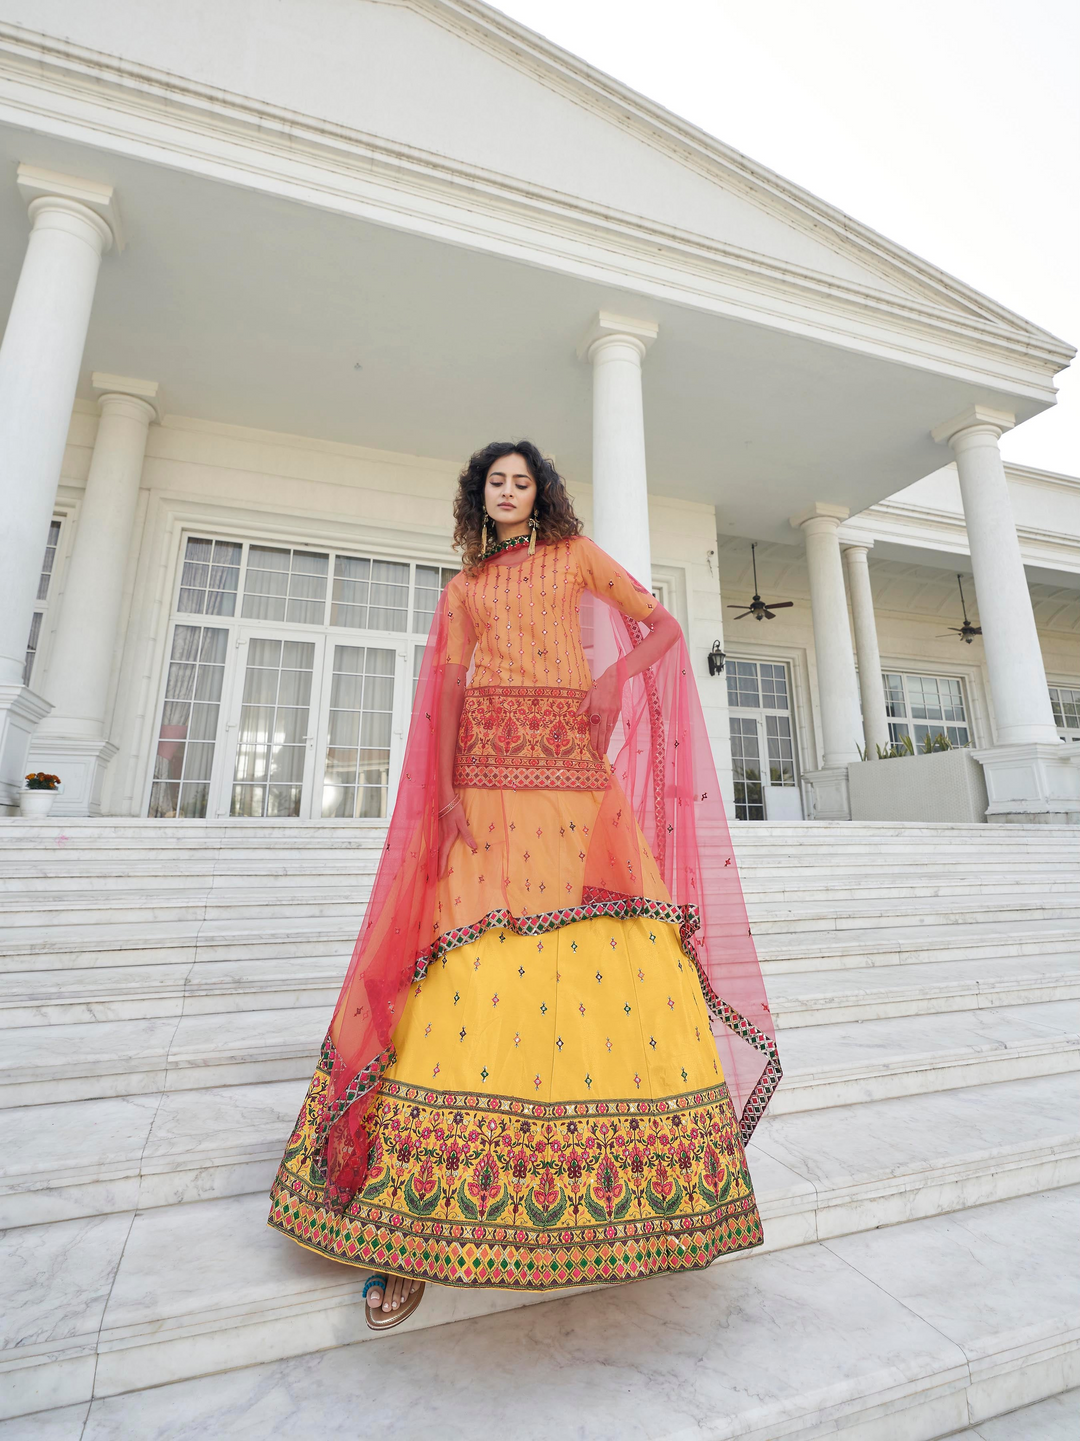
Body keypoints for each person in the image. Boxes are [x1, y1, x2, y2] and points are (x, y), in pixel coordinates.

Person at [268, 441, 780, 1330]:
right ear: (480, 497)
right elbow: (448, 695)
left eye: (522, 479)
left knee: (609, 969)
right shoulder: (463, 591)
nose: (510, 491)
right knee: (463, 974)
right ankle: (409, 1236)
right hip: (490, 784)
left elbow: (658, 628)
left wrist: (612, 679)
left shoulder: (576, 558)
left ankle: (622, 1213)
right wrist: (448, 796)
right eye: (496, 481)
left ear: (540, 491)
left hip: (575, 781)